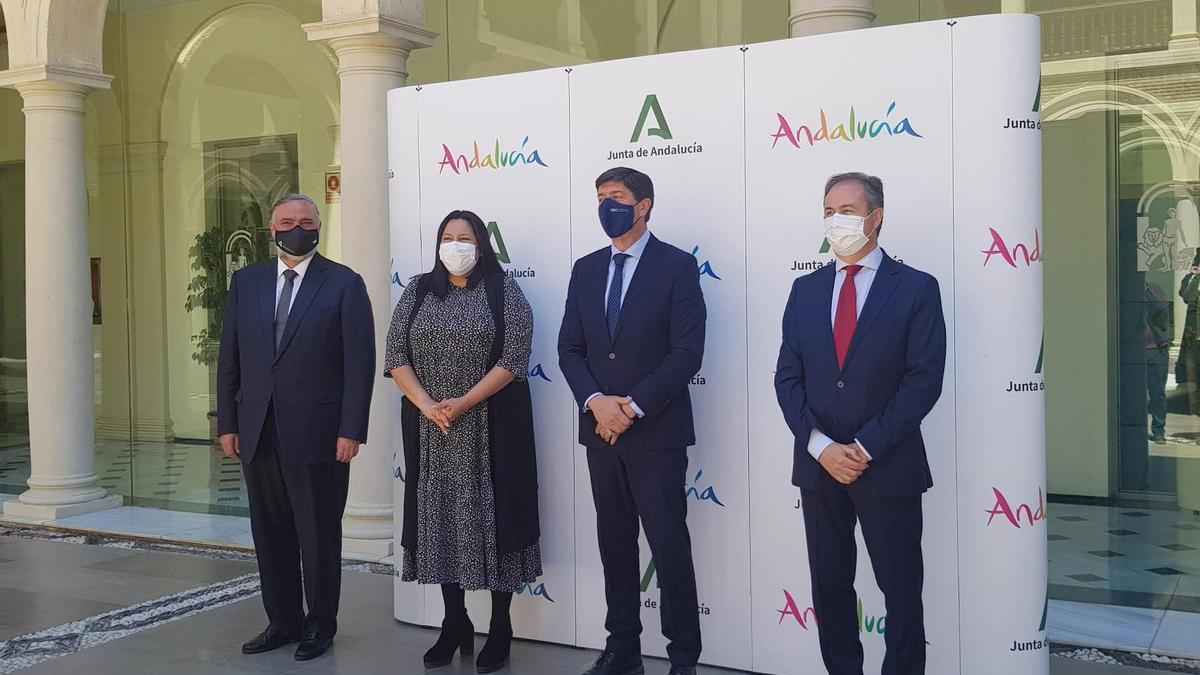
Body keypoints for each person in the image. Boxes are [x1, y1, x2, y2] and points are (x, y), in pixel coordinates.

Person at [775, 173, 946, 675]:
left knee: (900, 589)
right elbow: (788, 377)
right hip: (819, 466)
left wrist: (865, 447)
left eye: (848, 210)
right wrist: (821, 446)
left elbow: (922, 381)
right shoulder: (804, 290)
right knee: (829, 586)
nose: (837, 221)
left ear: (877, 216)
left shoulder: (916, 288)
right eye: (829, 211)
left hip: (888, 466)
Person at [558, 167, 707, 675]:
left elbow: (687, 352)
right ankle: (622, 647)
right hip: (599, 432)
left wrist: (632, 407)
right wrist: (597, 402)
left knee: (668, 544)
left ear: (643, 205)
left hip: (656, 432)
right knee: (614, 541)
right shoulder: (586, 268)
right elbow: (569, 349)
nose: (606, 206)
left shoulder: (678, 267)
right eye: (600, 197)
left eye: (616, 197)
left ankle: (683, 657)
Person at [216, 193, 375, 661]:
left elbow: (359, 364)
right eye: (287, 222)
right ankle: (281, 622)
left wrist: (351, 429)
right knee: (271, 533)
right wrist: (229, 421)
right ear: (272, 228)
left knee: (318, 532)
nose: (296, 229)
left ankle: (319, 625)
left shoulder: (345, 284)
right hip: (258, 430)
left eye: (306, 222)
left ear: (319, 227)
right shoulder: (246, 283)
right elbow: (231, 358)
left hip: (321, 434)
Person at [385, 210, 541, 674]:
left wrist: (464, 402)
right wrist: (430, 406)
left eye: (465, 238)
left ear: (482, 245)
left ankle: (500, 628)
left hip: (491, 426)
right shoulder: (416, 291)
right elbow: (396, 356)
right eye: (448, 237)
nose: (456, 245)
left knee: (497, 521)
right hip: (432, 429)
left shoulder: (504, 291)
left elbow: (515, 357)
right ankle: (454, 622)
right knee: (439, 522)